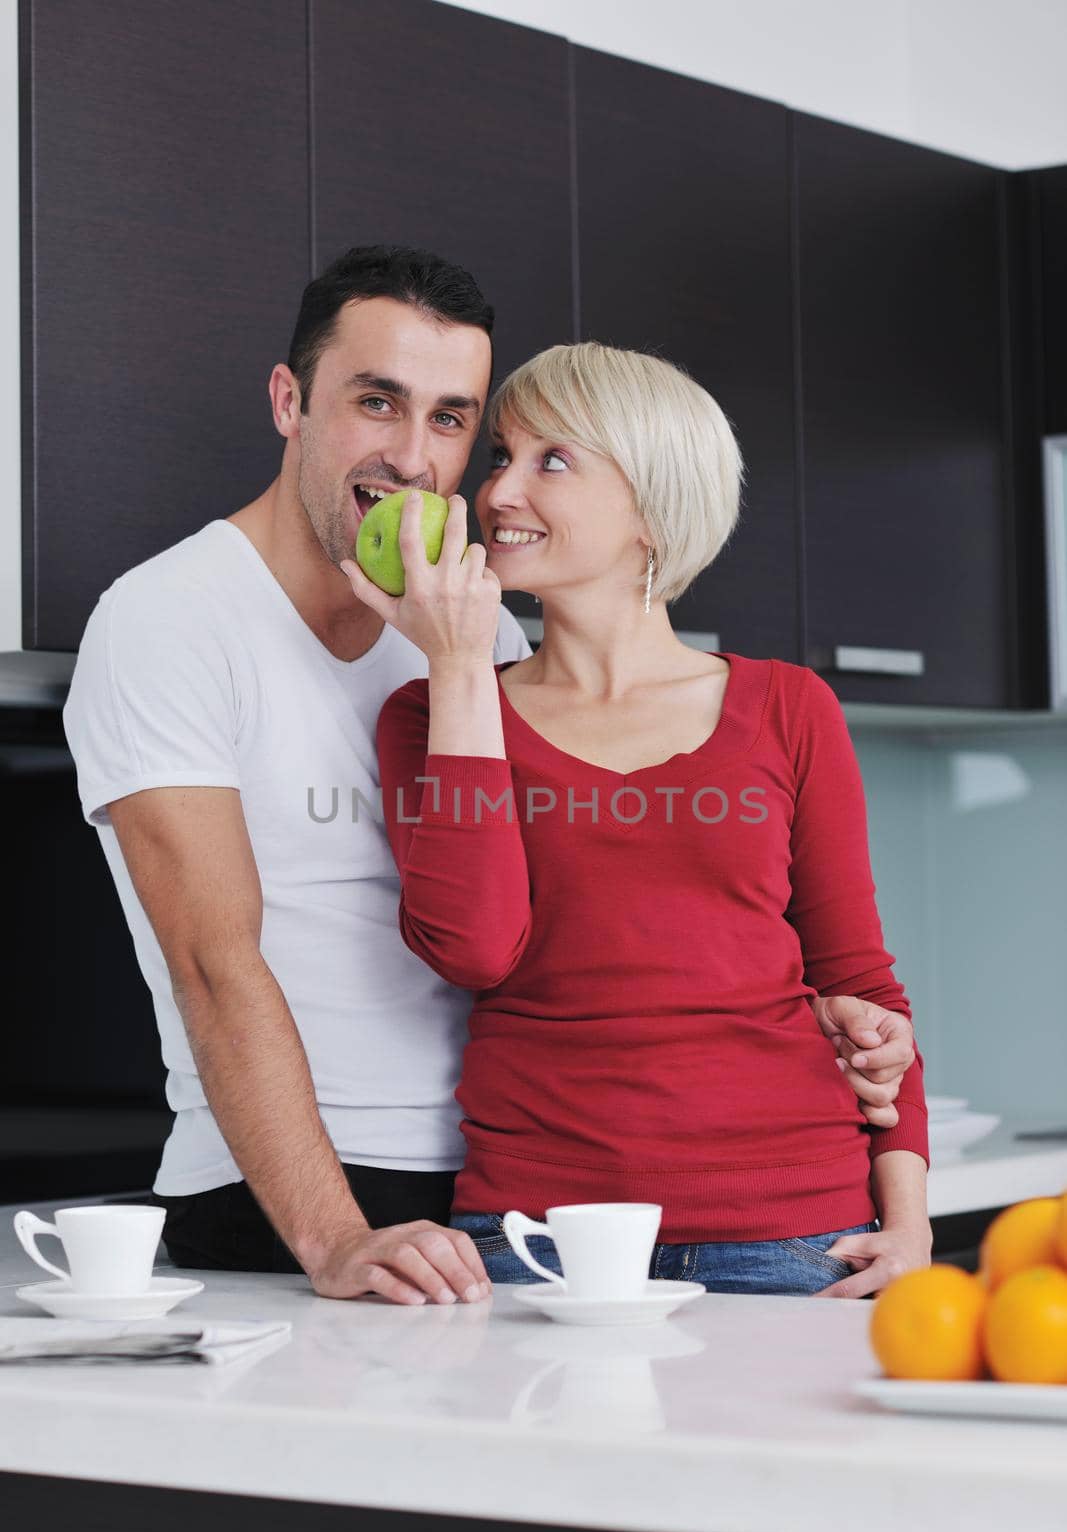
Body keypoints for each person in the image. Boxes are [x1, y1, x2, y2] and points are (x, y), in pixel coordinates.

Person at [345, 340, 932, 1300]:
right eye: (500, 456)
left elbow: (862, 985)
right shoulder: (430, 714)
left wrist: (906, 1221)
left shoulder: (789, 708)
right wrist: (453, 667)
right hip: (535, 1240)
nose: (496, 493)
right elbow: (476, 949)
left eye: (553, 461)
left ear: (652, 509)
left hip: (796, 1232)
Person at [62, 245, 537, 1306]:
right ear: (290, 400)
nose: (412, 456)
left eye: (449, 418)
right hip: (278, 1191)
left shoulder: (476, 631)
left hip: (502, 1172)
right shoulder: (168, 617)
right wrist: (334, 1239)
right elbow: (211, 960)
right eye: (378, 401)